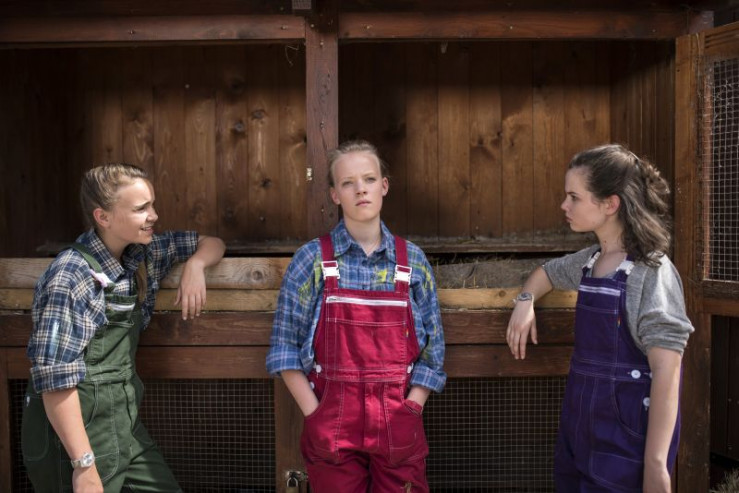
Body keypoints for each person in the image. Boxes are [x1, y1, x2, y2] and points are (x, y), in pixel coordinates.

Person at [22, 163, 226, 492]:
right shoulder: (70, 275)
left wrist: (197, 265)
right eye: (141, 208)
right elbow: (55, 381)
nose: (154, 215)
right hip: (73, 441)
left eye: (152, 204)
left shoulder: (142, 254)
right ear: (103, 217)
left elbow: (212, 242)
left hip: (123, 427)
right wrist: (83, 466)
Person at [506, 144, 694, 493]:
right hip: (579, 431)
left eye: (574, 197)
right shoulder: (591, 260)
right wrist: (525, 300)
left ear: (610, 204)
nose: (564, 206)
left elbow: (668, 372)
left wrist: (655, 465)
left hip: (625, 443)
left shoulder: (651, 271)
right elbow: (547, 272)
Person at [267, 140, 446, 492]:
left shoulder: (411, 261)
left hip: (397, 419)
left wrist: (412, 407)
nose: (360, 189)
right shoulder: (312, 260)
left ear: (384, 186)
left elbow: (433, 351)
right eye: (348, 183)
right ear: (335, 195)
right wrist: (315, 414)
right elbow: (284, 349)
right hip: (332, 423)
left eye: (369, 179)